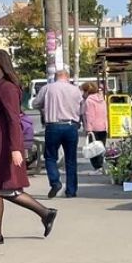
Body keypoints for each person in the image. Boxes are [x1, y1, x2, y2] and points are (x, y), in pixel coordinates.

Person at [0, 50, 57, 245]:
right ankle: (45, 213)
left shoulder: (7, 88)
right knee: (1, 187)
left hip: (1, 143)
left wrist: (16, 149)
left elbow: (13, 120)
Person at [32, 68, 83, 198]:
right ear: (68, 77)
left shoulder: (48, 88)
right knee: (71, 159)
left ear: (56, 77)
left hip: (53, 126)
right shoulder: (75, 90)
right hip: (71, 126)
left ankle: (55, 182)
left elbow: (35, 103)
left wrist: (45, 107)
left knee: (50, 157)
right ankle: (71, 191)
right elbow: (81, 107)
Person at [81, 82, 108, 172]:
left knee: (93, 149)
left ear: (86, 91)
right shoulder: (102, 99)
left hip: (94, 128)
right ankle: (101, 166)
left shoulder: (89, 101)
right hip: (103, 127)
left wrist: (88, 129)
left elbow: (90, 116)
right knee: (100, 148)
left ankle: (97, 167)